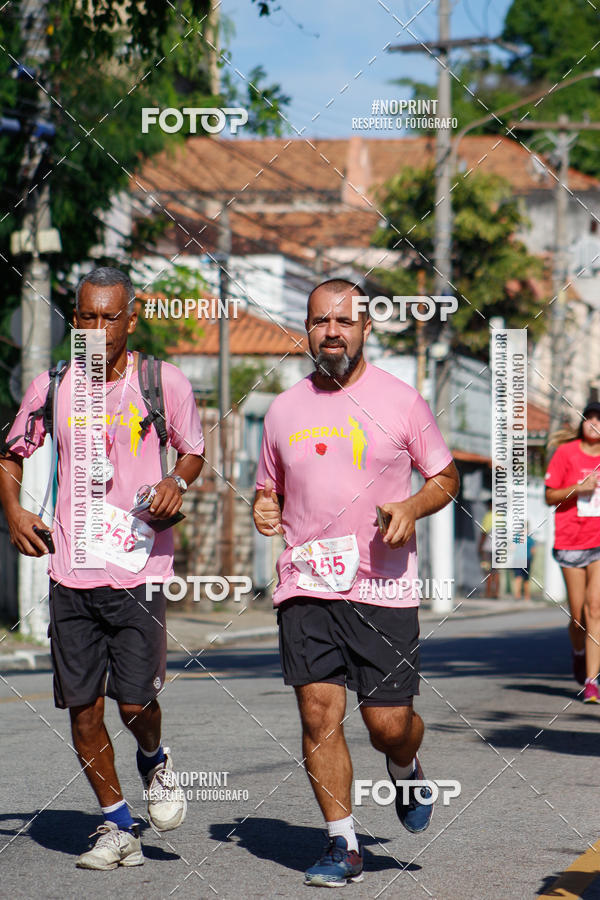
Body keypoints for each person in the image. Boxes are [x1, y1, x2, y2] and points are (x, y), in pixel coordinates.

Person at [252, 279, 459, 888]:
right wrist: (264, 505)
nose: (332, 332)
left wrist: (412, 507)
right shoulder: (282, 410)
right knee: (319, 715)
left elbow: (444, 476)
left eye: (344, 321)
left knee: (387, 726)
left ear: (366, 328)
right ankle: (342, 844)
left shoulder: (401, 401)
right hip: (307, 582)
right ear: (307, 329)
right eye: (321, 321)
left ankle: (407, 766)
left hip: (382, 588)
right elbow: (269, 488)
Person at [0, 267, 204, 869]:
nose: (96, 328)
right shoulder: (52, 386)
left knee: (134, 703)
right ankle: (116, 824)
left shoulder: (161, 382)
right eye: (85, 316)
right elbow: (10, 454)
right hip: (72, 571)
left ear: (131, 319)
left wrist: (175, 482)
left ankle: (154, 760)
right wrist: (13, 512)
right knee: (83, 707)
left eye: (109, 317)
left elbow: (193, 451)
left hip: (139, 568)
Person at [545, 402, 600, 701]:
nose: (594, 423)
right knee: (578, 617)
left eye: (599, 419)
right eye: (589, 418)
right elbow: (549, 496)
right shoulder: (566, 454)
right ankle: (578, 652)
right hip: (570, 541)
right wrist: (579, 488)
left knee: (595, 608)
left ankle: (592, 682)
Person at [478, 501, 500, 599]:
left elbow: (484, 533)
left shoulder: (488, 516)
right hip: (498, 549)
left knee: (487, 571)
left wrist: (480, 546)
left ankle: (488, 592)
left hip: (488, 548)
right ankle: (496, 593)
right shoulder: (502, 516)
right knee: (496, 571)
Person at [512, 527, 535, 602]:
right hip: (526, 559)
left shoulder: (517, 537)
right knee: (526, 578)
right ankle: (526, 596)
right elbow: (533, 551)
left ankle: (517, 595)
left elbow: (512, 548)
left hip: (518, 559)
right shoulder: (530, 539)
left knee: (518, 577)